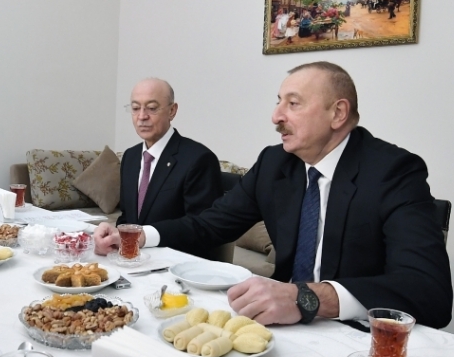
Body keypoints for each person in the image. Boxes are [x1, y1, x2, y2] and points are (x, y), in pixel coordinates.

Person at [95, 61, 452, 328]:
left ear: (338, 113)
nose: (275, 116)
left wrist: (309, 297)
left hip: (356, 336)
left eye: (293, 104)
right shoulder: (274, 163)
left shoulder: (393, 172)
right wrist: (140, 234)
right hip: (282, 329)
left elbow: (429, 293)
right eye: (278, 102)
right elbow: (210, 225)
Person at [93, 78, 223, 260]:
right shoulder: (130, 157)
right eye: (136, 108)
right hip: (133, 261)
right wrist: (114, 234)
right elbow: (128, 218)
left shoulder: (198, 159)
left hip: (175, 264)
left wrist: (142, 237)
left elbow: (202, 227)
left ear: (172, 111)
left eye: (152, 108)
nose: (142, 116)